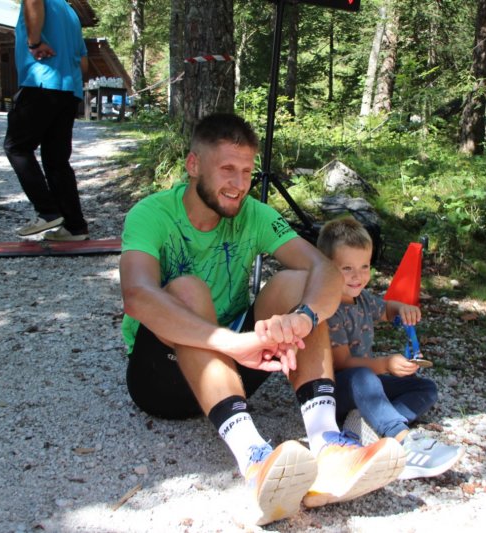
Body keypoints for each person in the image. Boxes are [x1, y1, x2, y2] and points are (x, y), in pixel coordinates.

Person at [119, 113, 406, 526]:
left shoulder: (253, 213)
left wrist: (305, 317)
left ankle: (327, 444)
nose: (239, 184)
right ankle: (254, 458)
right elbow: (137, 295)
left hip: (236, 368)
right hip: (161, 379)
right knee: (187, 288)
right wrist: (233, 343)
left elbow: (324, 269)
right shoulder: (151, 214)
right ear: (194, 165)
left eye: (246, 172)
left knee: (298, 283)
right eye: (227, 169)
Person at [316, 217, 464, 480]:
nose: (358, 276)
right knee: (364, 377)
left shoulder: (361, 299)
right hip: (337, 390)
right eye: (347, 268)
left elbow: (386, 309)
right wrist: (385, 364)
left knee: (425, 388)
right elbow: (342, 364)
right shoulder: (330, 308)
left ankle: (369, 424)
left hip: (366, 386)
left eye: (364, 266)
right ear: (327, 268)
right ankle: (401, 439)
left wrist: (402, 309)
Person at [4, 0, 89, 241]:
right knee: (57, 161)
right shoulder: (69, 12)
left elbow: (33, 2)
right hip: (69, 90)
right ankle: (74, 227)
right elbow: (83, 63)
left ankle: (48, 211)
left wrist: (34, 42)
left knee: (17, 147)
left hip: (40, 81)